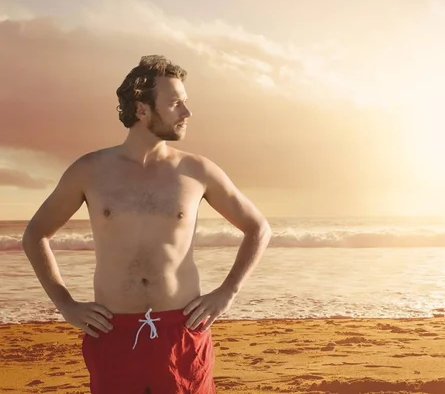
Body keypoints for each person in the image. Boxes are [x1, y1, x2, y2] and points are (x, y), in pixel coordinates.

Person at [22, 55, 272, 393]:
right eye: (175, 103)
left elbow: (258, 227)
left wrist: (228, 291)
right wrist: (66, 304)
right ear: (141, 109)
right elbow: (35, 234)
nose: (187, 112)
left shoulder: (198, 171)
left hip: (180, 330)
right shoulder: (90, 170)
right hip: (112, 331)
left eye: (185, 102)